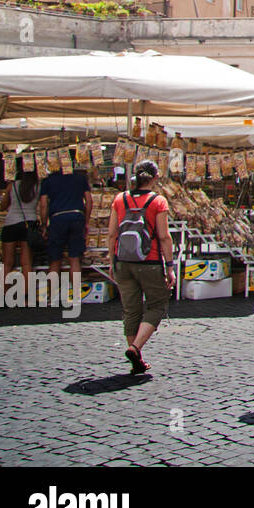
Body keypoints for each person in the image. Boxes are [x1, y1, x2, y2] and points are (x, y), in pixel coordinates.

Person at [107, 160, 176, 376]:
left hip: (123, 262)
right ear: (155, 178)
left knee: (131, 310)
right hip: (150, 262)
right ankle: (135, 348)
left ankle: (136, 360)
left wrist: (111, 261)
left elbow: (111, 233)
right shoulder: (158, 201)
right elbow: (164, 237)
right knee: (157, 305)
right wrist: (170, 266)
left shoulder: (120, 199)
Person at [39, 163, 94, 284]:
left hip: (57, 219)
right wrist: (86, 221)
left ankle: (52, 295)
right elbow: (89, 201)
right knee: (74, 258)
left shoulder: (48, 180)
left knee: (55, 259)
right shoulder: (80, 178)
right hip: (77, 217)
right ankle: (75, 295)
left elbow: (43, 204)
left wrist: (44, 224)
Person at [0, 164, 38, 288]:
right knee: (26, 263)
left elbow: (3, 206)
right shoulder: (38, 186)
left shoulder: (12, 186)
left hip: (11, 223)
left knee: (7, 262)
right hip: (30, 224)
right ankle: (27, 296)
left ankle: (4, 295)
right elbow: (42, 205)